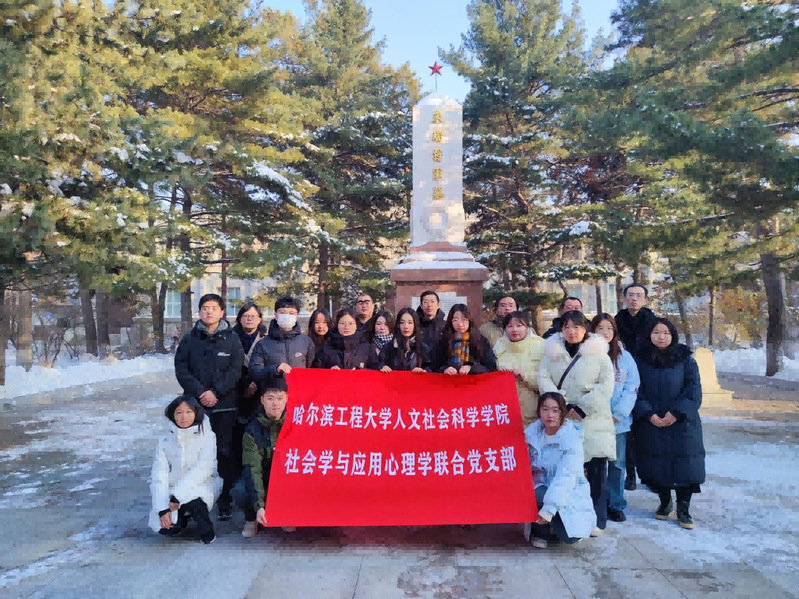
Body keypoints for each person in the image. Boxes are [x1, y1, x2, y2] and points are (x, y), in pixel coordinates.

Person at [538, 310, 615, 536]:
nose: (572, 332)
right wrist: (560, 405)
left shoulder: (599, 353)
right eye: (567, 327)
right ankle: (569, 520)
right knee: (567, 473)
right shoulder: (551, 353)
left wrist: (583, 406)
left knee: (596, 472)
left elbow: (606, 384)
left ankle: (597, 520)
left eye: (577, 327)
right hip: (562, 419)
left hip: (593, 421)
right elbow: (544, 378)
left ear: (585, 329)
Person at [174, 293, 243, 521]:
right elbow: (182, 369)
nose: (209, 311)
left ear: (222, 312)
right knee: (194, 453)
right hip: (196, 407)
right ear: (199, 312)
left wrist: (217, 392)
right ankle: (192, 499)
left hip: (225, 407)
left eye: (214, 308)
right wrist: (201, 393)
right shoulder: (189, 340)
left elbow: (236, 370)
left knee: (224, 452)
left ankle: (224, 498)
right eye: (205, 308)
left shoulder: (232, 339)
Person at [633, 318, 705, 530]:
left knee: (686, 466)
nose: (661, 337)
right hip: (652, 422)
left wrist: (676, 412)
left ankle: (684, 508)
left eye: (666, 333)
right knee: (656, 465)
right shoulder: (641, 360)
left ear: (673, 336)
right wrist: (648, 413)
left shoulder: (685, 359)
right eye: (656, 332)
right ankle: (665, 502)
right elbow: (636, 390)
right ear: (649, 335)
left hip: (682, 423)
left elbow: (693, 390)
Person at [525, 392, 596, 548]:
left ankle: (553, 523)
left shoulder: (571, 439)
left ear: (562, 412)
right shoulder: (532, 434)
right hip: (540, 486)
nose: (550, 415)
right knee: (533, 493)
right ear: (539, 411)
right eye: (545, 409)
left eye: (555, 410)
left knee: (571, 537)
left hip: (568, 490)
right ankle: (540, 531)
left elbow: (566, 477)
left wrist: (549, 510)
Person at [149, 395, 221, 544]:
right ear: (172, 415)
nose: (184, 417)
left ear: (196, 413)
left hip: (202, 483)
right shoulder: (164, 442)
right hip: (173, 488)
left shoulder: (208, 436)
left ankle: (206, 530)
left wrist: (177, 496)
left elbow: (203, 469)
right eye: (179, 412)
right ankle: (181, 519)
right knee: (167, 528)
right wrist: (162, 509)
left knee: (195, 502)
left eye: (188, 412)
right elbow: (159, 476)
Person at [591, 313, 640, 523]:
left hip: (617, 423)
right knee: (594, 465)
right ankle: (597, 503)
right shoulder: (587, 355)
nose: (605, 333)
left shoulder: (624, 357)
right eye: (600, 328)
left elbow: (632, 387)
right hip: (593, 420)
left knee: (617, 464)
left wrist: (619, 414)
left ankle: (615, 504)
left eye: (609, 328)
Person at [614, 283, 657, 491]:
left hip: (648, 377)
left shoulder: (654, 322)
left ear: (646, 300)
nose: (634, 299)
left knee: (648, 428)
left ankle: (650, 475)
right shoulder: (616, 321)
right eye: (630, 295)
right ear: (624, 298)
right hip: (623, 379)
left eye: (639, 295)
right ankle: (629, 473)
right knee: (627, 431)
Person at [241, 381, 293, 538]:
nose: (275, 403)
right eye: (270, 398)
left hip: (285, 480)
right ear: (262, 400)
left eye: (279, 398)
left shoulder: (296, 423)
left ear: (287, 399)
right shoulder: (252, 431)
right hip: (263, 478)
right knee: (240, 489)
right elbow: (252, 469)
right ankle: (252, 518)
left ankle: (284, 513)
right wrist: (258, 505)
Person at [249, 296, 315, 389]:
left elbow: (312, 369)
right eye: (283, 313)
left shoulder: (306, 341)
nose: (287, 316)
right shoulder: (263, 344)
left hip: (299, 393)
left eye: (291, 313)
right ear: (276, 315)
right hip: (272, 394)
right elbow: (254, 371)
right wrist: (275, 369)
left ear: (297, 316)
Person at [493, 311, 545, 427]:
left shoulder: (541, 345)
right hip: (505, 410)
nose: (514, 330)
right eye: (510, 326)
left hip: (534, 409)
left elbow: (548, 380)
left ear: (527, 327)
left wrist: (525, 377)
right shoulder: (499, 345)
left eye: (519, 325)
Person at [433, 303, 497, 375]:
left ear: (470, 321)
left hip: (474, 381)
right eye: (455, 320)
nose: (460, 324)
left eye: (464, 320)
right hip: (449, 381)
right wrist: (444, 369)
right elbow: (434, 366)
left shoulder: (480, 341)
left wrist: (472, 368)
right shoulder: (443, 341)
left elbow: (491, 366)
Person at [232, 302, 267, 421]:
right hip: (236, 391)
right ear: (239, 319)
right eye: (246, 315)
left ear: (259, 319)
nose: (249, 319)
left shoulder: (267, 340)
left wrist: (255, 384)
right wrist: (246, 384)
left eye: (253, 316)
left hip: (260, 392)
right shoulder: (230, 339)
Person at [314, 308, 379, 370]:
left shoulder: (367, 348)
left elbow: (375, 370)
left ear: (356, 325)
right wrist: (329, 371)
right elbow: (317, 370)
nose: (346, 327)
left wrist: (361, 371)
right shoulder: (326, 347)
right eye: (342, 323)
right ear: (337, 325)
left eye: (350, 323)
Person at [379, 307, 430, 372]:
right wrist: (383, 367)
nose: (406, 326)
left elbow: (430, 368)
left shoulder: (423, 348)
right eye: (402, 322)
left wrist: (424, 371)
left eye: (410, 322)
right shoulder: (388, 347)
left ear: (415, 325)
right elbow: (380, 364)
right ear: (398, 325)